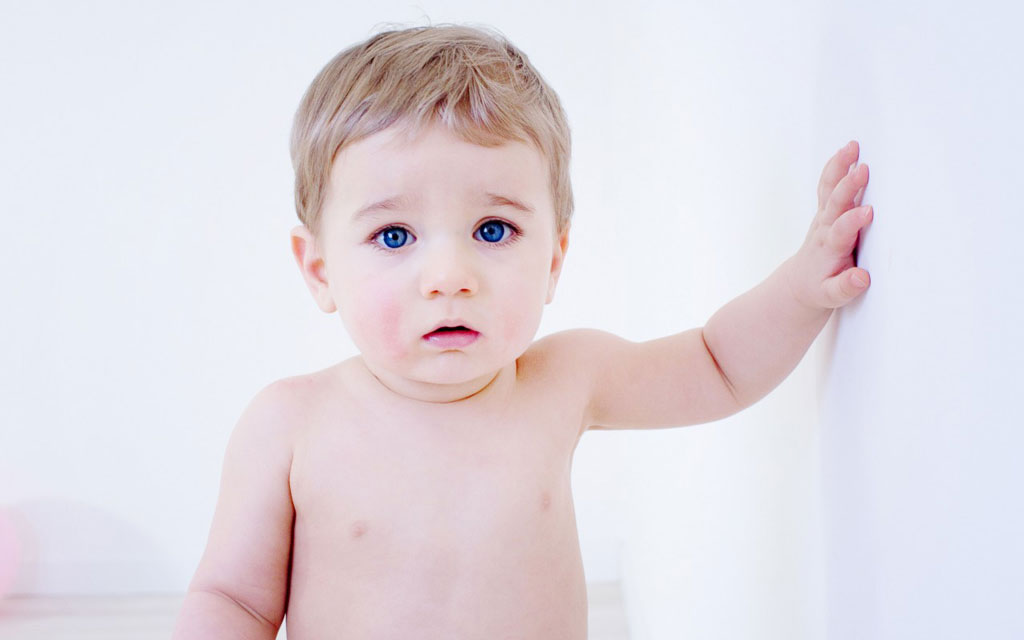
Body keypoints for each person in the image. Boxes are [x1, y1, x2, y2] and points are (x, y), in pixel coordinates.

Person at [171, 23, 872, 639]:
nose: (449, 276)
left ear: (554, 260)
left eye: (493, 229)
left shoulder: (564, 381)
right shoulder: (291, 424)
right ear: (319, 268)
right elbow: (233, 599)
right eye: (394, 235)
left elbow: (718, 366)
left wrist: (802, 287)